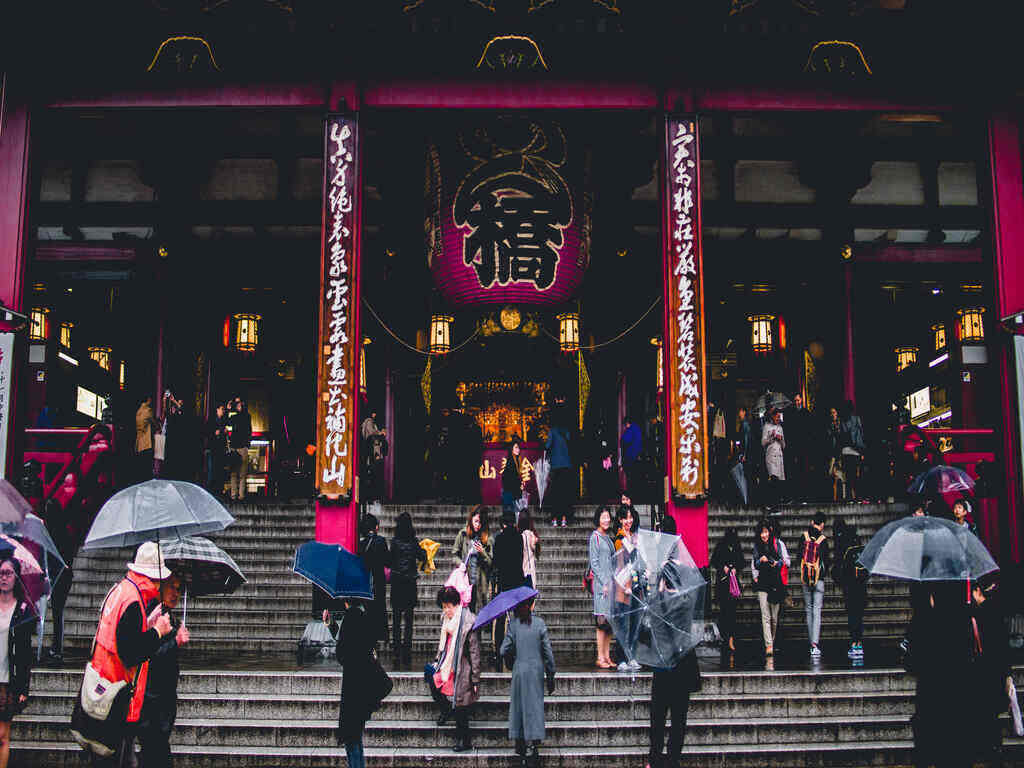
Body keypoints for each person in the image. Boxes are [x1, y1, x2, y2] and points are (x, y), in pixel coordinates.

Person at [87, 542, 174, 766]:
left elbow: (120, 637)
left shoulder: (120, 591)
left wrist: (148, 624)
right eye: (158, 580)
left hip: (104, 689)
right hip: (120, 697)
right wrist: (157, 631)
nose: (159, 587)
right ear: (150, 577)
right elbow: (131, 653)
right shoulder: (134, 602)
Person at [137, 573, 190, 768]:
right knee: (156, 753)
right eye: (172, 588)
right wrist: (175, 641)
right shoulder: (155, 615)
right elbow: (149, 655)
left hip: (163, 699)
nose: (176, 593)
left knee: (154, 753)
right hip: (152, 700)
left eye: (179, 589)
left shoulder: (170, 617)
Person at [501, 597, 556, 768]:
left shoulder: (513, 625)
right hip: (536, 670)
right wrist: (551, 674)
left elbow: (504, 649)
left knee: (519, 707)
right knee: (534, 707)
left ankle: (520, 743)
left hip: (519, 670)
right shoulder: (539, 624)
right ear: (532, 605)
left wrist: (512, 660)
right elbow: (548, 653)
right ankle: (533, 745)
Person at [426, 586, 481, 752]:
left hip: (462, 668)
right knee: (431, 677)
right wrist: (438, 660)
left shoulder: (467, 623)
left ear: (457, 605)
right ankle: (445, 710)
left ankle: (465, 741)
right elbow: (443, 645)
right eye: (444, 607)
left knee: (460, 707)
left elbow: (474, 652)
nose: (446, 610)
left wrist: (475, 678)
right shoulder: (447, 621)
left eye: (448, 606)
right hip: (447, 664)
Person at [327, 598, 377, 768]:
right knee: (356, 735)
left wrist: (332, 627)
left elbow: (342, 653)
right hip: (363, 684)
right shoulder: (364, 616)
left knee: (351, 737)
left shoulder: (350, 618)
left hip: (352, 685)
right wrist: (332, 626)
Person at [968, 576, 1011, 767]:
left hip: (981, 669)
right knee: (992, 713)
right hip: (996, 670)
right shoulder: (997, 613)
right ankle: (994, 748)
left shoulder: (976, 615)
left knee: (982, 711)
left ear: (977, 591)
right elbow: (1003, 645)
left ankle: (986, 747)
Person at [0, 556, 33, 768]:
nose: (3, 577)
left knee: (2, 735)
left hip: (6, 680)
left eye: (8, 573)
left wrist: (24, 686)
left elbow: (24, 653)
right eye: (1, 573)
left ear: (16, 577)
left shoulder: (22, 610)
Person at [646, 648, 700, 768]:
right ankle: (660, 759)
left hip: (678, 671)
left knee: (673, 720)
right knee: (661, 719)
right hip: (666, 670)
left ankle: (670, 759)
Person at [389, 512, 426, 667]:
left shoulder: (394, 542)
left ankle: (396, 647)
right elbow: (422, 556)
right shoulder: (413, 541)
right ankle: (407, 648)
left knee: (397, 617)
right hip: (410, 582)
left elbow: (390, 560)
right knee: (409, 618)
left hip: (397, 581)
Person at [492, 509, 525, 671]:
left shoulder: (499, 539)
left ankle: (499, 650)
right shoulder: (519, 538)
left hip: (504, 582)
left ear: (503, 524)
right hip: (517, 582)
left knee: (500, 620)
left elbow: (496, 561)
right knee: (517, 617)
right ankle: (517, 649)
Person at [832, 518, 867, 660]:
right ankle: (859, 643)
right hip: (861, 586)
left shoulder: (842, 544)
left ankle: (854, 643)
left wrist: (839, 579)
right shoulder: (857, 543)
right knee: (859, 616)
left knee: (852, 616)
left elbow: (839, 567)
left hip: (850, 586)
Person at [798, 511, 831, 658]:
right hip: (819, 580)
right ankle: (815, 645)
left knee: (808, 609)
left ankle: (810, 641)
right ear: (822, 524)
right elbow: (827, 561)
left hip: (806, 578)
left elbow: (799, 556)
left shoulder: (803, 537)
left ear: (812, 522)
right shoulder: (823, 540)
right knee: (817, 611)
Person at [751, 520, 785, 656]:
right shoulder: (757, 546)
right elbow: (755, 563)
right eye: (762, 532)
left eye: (766, 532)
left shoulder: (776, 544)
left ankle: (772, 639)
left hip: (775, 582)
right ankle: (769, 644)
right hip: (762, 582)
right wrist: (761, 560)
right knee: (765, 615)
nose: (764, 535)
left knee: (774, 617)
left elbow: (783, 561)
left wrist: (776, 563)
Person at [589, 505, 616, 669]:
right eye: (603, 517)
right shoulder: (595, 537)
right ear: (598, 519)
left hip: (611, 585)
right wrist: (605, 581)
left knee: (609, 623)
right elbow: (595, 563)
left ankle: (607, 656)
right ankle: (600, 656)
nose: (606, 520)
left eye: (608, 517)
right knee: (601, 622)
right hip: (601, 586)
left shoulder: (608, 537)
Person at [358, 513, 390, 647]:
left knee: (367, 610)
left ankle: (368, 637)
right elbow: (387, 560)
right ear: (375, 527)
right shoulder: (381, 541)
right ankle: (379, 636)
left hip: (365, 582)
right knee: (379, 607)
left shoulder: (361, 544)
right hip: (378, 581)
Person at [452, 506, 492, 613]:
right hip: (466, 580)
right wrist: (460, 563)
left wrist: (482, 552)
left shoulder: (487, 538)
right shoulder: (463, 534)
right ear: (471, 519)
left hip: (481, 581)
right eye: (476, 521)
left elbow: (491, 562)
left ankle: (479, 630)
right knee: (467, 611)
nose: (478, 525)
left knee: (481, 609)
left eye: (480, 522)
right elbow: (454, 554)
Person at [710, 529, 744, 653]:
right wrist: (722, 567)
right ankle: (725, 636)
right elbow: (714, 561)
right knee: (724, 612)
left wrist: (735, 568)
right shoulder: (721, 546)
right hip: (723, 584)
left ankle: (730, 638)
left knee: (732, 613)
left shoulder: (737, 547)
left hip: (733, 584)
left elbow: (741, 562)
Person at [786, 393, 813, 501]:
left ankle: (805, 495)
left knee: (804, 470)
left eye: (798, 400)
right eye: (795, 401)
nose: (797, 402)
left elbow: (810, 430)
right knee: (795, 471)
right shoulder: (792, 414)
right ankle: (796, 495)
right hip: (795, 446)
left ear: (801, 400)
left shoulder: (806, 413)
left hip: (804, 445)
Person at [546, 418, 573, 527]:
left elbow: (547, 446)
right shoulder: (566, 431)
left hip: (556, 467)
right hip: (566, 466)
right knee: (564, 493)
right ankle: (564, 519)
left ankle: (554, 519)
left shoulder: (552, 431)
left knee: (555, 494)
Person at [839, 400, 866, 501]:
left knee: (848, 475)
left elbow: (842, 436)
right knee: (856, 474)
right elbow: (861, 434)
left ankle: (851, 496)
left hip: (846, 450)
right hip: (856, 450)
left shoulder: (843, 421)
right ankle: (857, 495)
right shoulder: (856, 419)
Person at [228, 398, 252, 500]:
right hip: (240, 447)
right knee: (240, 474)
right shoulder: (245, 416)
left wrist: (229, 410)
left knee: (236, 473)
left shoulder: (239, 417)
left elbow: (228, 422)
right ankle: (239, 495)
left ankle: (235, 495)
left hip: (237, 447)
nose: (238, 406)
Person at [761, 408, 786, 504]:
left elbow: (784, 445)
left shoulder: (780, 428)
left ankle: (777, 501)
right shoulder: (766, 427)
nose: (778, 419)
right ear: (773, 416)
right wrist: (772, 437)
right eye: (777, 417)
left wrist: (780, 439)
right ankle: (772, 502)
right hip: (771, 456)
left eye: (779, 417)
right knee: (773, 478)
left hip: (779, 456)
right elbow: (763, 442)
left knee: (779, 481)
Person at [203, 403, 228, 494]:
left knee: (218, 469)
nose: (223, 411)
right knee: (211, 469)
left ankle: (218, 489)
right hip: (213, 448)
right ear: (217, 409)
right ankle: (210, 489)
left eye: (223, 410)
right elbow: (206, 431)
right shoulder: (211, 420)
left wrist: (223, 432)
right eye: (222, 409)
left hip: (220, 449)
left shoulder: (223, 420)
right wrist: (214, 433)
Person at [620, 416, 643, 499]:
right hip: (637, 457)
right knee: (635, 477)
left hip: (631, 457)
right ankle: (637, 495)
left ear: (627, 423)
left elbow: (625, 440)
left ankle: (632, 495)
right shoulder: (637, 429)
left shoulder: (631, 430)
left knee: (631, 478)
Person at [826, 406, 846, 501]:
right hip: (832, 451)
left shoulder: (840, 423)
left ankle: (843, 496)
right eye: (831, 413)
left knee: (842, 474)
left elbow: (841, 436)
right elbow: (829, 436)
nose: (833, 414)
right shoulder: (829, 424)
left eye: (834, 412)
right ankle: (834, 497)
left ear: (837, 413)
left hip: (839, 451)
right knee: (831, 473)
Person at [135, 396, 157, 482]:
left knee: (141, 464)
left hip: (139, 441)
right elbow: (154, 422)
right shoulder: (148, 410)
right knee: (147, 464)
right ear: (148, 400)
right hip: (147, 442)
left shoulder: (138, 411)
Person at [501, 441, 524, 520]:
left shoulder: (517, 460)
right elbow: (509, 477)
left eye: (518, 448)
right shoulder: (511, 461)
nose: (518, 450)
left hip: (513, 491)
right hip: (509, 492)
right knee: (510, 514)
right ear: (511, 449)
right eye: (516, 447)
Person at [518, 510, 540, 590]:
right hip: (531, 571)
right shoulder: (532, 535)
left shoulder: (520, 536)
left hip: (522, 571)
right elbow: (534, 548)